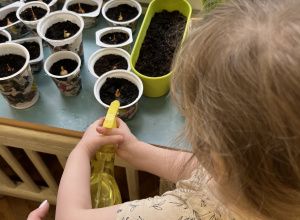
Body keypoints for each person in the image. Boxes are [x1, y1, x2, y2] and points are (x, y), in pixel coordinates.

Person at [30, 0, 300, 219]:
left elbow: (70, 217)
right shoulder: (269, 187)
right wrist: (135, 150)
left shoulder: (181, 214)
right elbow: (203, 172)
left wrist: (82, 151)